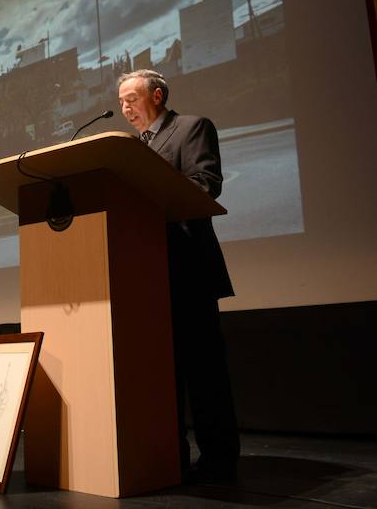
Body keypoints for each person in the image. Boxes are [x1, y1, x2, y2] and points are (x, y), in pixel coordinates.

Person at [117, 69, 240, 482]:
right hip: (145, 273)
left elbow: (205, 184)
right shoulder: (131, 148)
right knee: (160, 373)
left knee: (204, 371)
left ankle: (219, 459)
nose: (125, 108)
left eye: (131, 99)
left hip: (188, 269)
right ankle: (170, 455)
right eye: (120, 102)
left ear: (157, 95)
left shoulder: (191, 128)